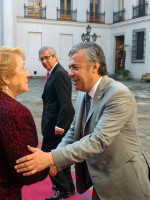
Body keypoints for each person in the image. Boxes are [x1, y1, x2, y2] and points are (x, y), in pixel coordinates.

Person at [15, 42, 150, 200]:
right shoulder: (82, 94)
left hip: (124, 183)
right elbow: (73, 131)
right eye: (70, 67)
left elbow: (98, 141)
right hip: (100, 182)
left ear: (94, 67)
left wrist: (51, 158)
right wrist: (54, 160)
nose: (70, 73)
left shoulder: (118, 94)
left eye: (75, 67)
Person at [0, 46, 50, 200]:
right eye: (22, 69)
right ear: (5, 77)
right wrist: (49, 164)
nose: (28, 74)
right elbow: (26, 172)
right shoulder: (15, 112)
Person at [37, 46, 75, 200]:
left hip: (57, 126)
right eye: (42, 59)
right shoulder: (53, 72)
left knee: (47, 157)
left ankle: (63, 189)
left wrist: (60, 125)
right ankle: (68, 187)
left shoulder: (59, 74)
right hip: (53, 124)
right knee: (60, 156)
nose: (44, 61)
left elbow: (65, 103)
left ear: (55, 56)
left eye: (47, 57)